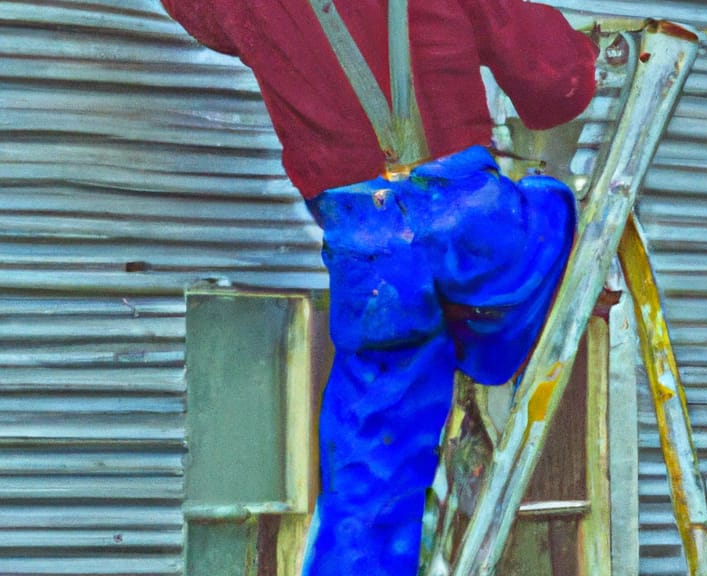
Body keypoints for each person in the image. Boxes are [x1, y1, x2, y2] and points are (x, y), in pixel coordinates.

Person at [161, 1, 598, 574]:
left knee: (369, 481)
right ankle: (487, 353)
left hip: (370, 255)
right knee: (551, 206)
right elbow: (556, 88)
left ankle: (455, 354)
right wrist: (586, 55)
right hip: (471, 224)